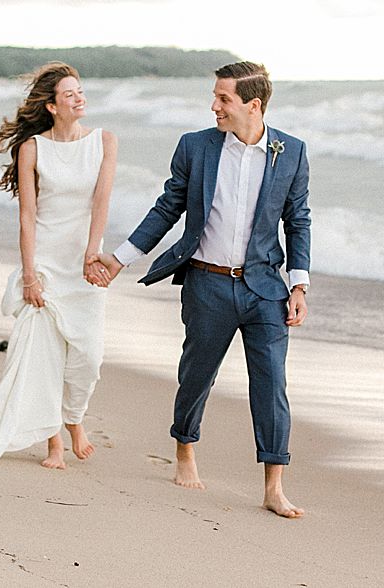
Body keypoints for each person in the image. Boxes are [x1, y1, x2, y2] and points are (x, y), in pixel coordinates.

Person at [94, 61, 310, 518]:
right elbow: (167, 208)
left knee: (271, 386)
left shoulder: (289, 151)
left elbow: (298, 220)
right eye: (214, 97)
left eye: (223, 99)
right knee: (197, 375)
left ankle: (273, 486)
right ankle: (185, 448)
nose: (214, 106)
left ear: (253, 105)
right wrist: (119, 258)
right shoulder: (197, 147)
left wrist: (299, 284)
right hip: (207, 284)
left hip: (264, 288)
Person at [0, 62, 118, 469]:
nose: (79, 98)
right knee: (44, 355)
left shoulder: (104, 141)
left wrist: (93, 253)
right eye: (69, 94)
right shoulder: (33, 148)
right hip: (47, 264)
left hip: (84, 263)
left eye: (80, 91)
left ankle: (74, 419)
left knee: (89, 355)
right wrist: (29, 275)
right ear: (52, 106)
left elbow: (101, 203)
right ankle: (55, 443)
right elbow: (27, 218)